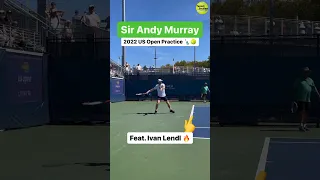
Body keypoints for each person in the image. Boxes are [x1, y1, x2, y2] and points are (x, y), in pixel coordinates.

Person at [294, 67, 320, 131]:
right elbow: (294, 89)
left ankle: (305, 125)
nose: (306, 73)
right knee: (302, 112)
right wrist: (294, 98)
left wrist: (318, 95)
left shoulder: (310, 80)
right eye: (305, 72)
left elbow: (314, 88)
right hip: (300, 99)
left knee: (307, 112)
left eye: (307, 72)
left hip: (308, 99)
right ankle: (301, 125)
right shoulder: (298, 80)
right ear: (303, 73)